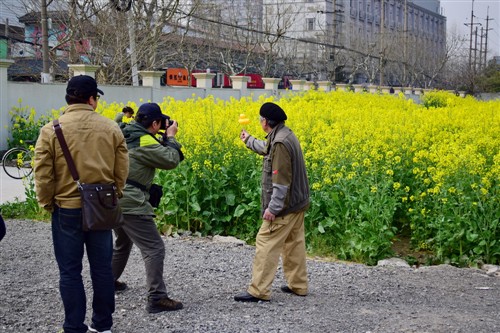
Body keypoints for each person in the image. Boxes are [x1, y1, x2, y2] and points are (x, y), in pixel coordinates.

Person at [34, 75, 129, 333]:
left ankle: (74, 327)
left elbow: (43, 174)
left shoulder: (50, 130)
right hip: (101, 208)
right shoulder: (111, 128)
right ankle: (103, 325)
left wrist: (47, 202)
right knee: (101, 270)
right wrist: (113, 195)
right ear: (91, 99)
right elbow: (121, 170)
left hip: (66, 209)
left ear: (68, 98)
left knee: (70, 271)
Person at [112, 102, 184, 313]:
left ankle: (108, 282)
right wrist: (170, 137)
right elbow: (171, 160)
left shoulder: (126, 132)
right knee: (154, 248)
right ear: (154, 123)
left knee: (123, 242)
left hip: (116, 198)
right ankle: (157, 298)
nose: (163, 126)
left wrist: (161, 138)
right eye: (160, 123)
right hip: (132, 201)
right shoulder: (144, 139)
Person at [235, 102, 310, 302]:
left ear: (265, 122)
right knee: (294, 244)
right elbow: (267, 149)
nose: (260, 122)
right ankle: (298, 285)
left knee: (265, 242)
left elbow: (281, 181)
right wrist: (249, 140)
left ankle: (258, 290)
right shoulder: (284, 134)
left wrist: (273, 209)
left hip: (285, 206)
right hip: (297, 203)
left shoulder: (280, 143)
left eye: (260, 119)